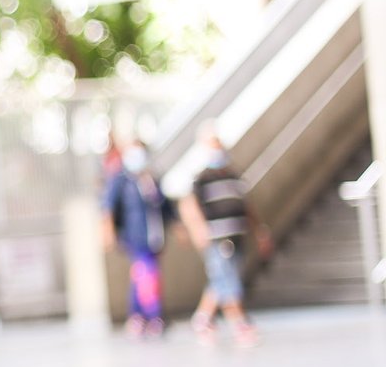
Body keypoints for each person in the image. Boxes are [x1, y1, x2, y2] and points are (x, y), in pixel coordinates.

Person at [178, 125, 273, 346]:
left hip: (237, 235)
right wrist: (198, 229)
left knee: (221, 279)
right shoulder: (202, 178)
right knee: (227, 279)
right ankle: (239, 320)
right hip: (218, 238)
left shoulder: (232, 175)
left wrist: (260, 230)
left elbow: (246, 206)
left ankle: (202, 318)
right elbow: (188, 205)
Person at [100, 139, 178, 337]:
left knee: (141, 278)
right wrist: (108, 232)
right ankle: (155, 315)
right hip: (135, 237)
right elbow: (108, 207)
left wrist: (177, 226)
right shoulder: (121, 179)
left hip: (154, 237)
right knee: (148, 274)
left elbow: (165, 207)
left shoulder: (151, 179)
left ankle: (137, 317)